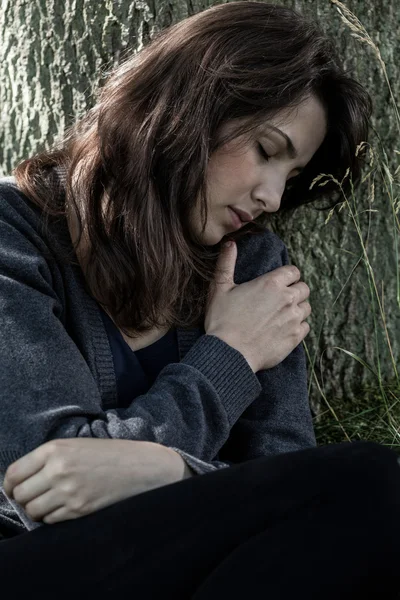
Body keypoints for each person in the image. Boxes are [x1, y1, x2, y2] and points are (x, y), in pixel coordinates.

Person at [0, 1, 399, 597]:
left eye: (291, 179)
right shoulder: (13, 229)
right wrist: (231, 355)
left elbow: (287, 483)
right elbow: (40, 487)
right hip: (35, 570)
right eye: (267, 150)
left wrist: (168, 468)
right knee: (371, 478)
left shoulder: (257, 268)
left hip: (200, 574)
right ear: (189, 111)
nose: (270, 197)